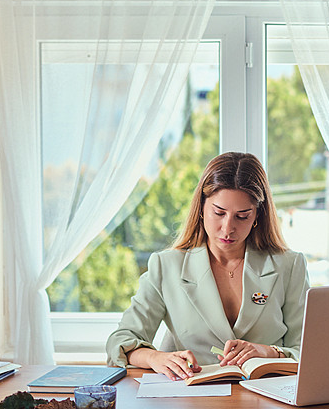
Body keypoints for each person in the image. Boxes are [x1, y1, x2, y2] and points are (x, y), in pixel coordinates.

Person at [106, 152, 310, 381]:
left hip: (270, 402)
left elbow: (310, 351)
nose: (227, 228)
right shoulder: (166, 267)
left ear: (257, 217)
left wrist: (269, 352)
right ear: (201, 208)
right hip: (193, 404)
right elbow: (120, 340)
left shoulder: (289, 266)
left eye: (242, 216)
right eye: (219, 213)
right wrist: (156, 358)